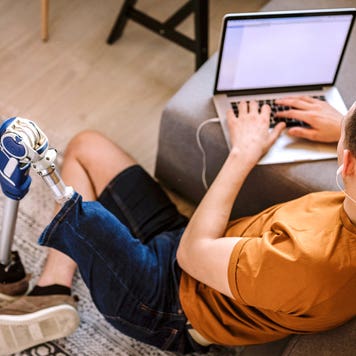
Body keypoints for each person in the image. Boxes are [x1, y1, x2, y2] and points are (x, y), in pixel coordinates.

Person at [0, 96, 354, 355]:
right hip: (203, 248)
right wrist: (342, 126)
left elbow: (191, 255)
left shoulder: (311, 260)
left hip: (168, 305)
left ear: (348, 162)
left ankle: (48, 292)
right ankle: (53, 291)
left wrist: (242, 152)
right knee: (86, 147)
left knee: (81, 217)